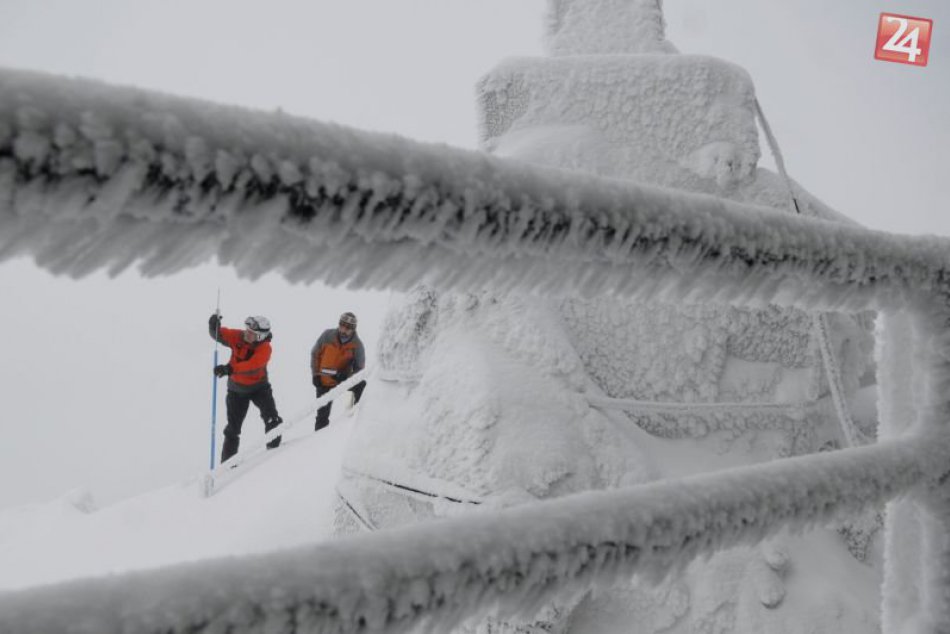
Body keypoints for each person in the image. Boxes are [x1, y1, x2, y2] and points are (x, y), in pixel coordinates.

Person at [209, 313, 283, 463]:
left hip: (259, 388)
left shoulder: (265, 349)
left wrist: (229, 369)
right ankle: (228, 467)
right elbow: (220, 334)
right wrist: (213, 327)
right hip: (236, 391)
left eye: (252, 333)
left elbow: (251, 366)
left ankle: (274, 454)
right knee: (232, 430)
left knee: (272, 419)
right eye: (247, 330)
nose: (246, 334)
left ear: (261, 336)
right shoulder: (239, 336)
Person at [311, 311, 366, 431]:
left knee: (362, 385)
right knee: (322, 416)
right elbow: (315, 354)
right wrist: (315, 375)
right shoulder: (327, 335)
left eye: (348, 328)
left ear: (353, 329)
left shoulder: (357, 345)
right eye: (342, 325)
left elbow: (360, 370)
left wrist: (346, 376)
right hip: (323, 382)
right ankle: (318, 441)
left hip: (342, 379)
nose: (344, 329)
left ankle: (357, 416)